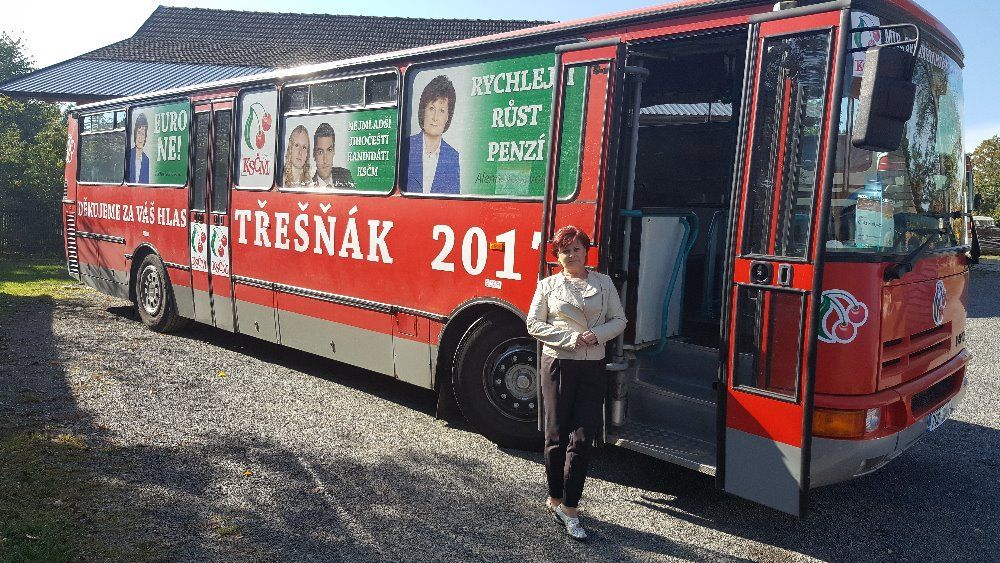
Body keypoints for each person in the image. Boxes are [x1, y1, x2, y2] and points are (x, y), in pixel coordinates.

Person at [526, 225, 627, 541]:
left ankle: (571, 507)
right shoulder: (547, 286)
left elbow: (620, 320)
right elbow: (533, 324)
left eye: (577, 249)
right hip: (558, 363)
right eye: (565, 250)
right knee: (556, 434)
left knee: (583, 437)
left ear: (586, 252)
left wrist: (596, 335)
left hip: (592, 366)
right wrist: (572, 337)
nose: (571, 255)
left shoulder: (604, 283)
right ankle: (556, 498)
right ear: (557, 256)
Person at [406, 75, 460, 194]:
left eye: (442, 111)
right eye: (431, 108)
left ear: (447, 117)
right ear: (423, 110)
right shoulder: (406, 146)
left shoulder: (453, 157)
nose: (435, 118)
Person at [312, 122, 355, 189]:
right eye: (320, 152)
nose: (325, 160)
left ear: (334, 151)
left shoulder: (345, 176)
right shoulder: (307, 183)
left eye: (329, 150)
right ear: (314, 154)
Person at [128, 113, 150, 183]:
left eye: (143, 134)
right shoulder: (128, 155)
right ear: (135, 134)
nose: (140, 138)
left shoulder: (146, 160)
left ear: (145, 137)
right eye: (139, 133)